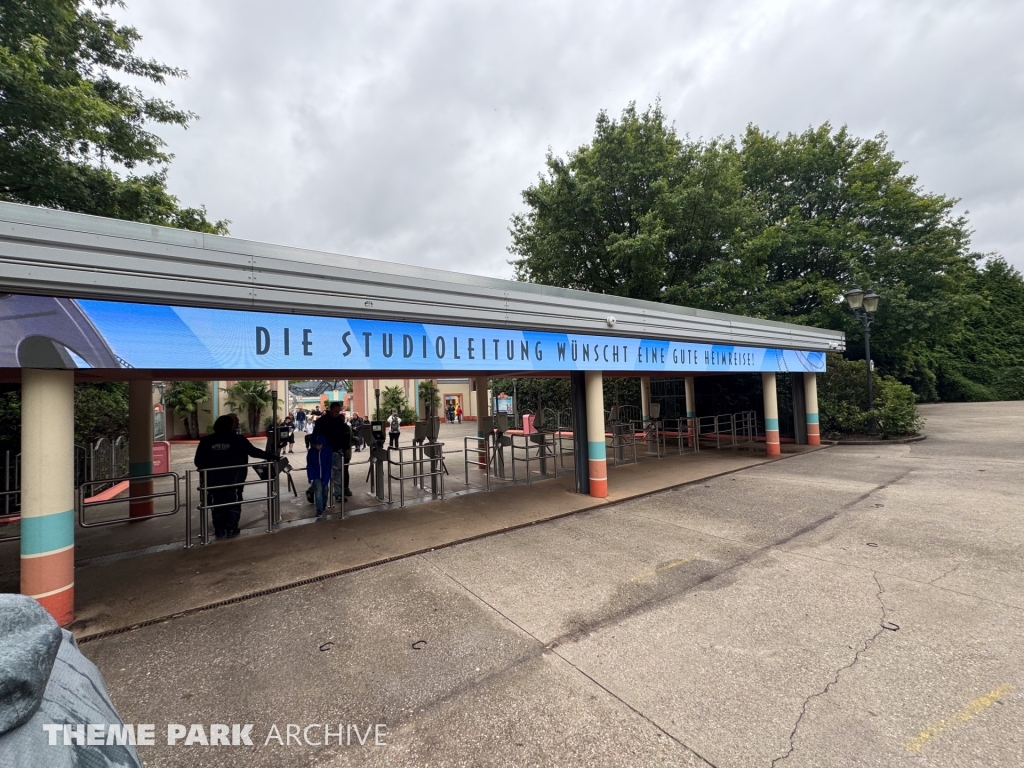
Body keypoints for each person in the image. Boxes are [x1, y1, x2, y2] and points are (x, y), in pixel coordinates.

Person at [194, 414, 275, 538]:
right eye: (235, 422)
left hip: (213, 480)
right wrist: (272, 456)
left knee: (217, 504)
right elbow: (253, 452)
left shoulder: (206, 441)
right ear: (231, 426)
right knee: (234, 502)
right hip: (235, 479)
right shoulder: (238, 440)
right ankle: (232, 529)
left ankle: (219, 529)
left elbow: (198, 462)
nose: (237, 424)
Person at [312, 401, 353, 499]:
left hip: (338, 451)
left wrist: (346, 448)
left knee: (338, 472)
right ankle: (314, 491)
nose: (337, 413)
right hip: (325, 452)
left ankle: (338, 494)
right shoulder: (321, 422)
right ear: (330, 410)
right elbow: (315, 436)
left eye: (338, 411)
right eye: (335, 411)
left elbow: (344, 436)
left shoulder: (339, 421)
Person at [305, 433, 332, 518]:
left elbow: (329, 464)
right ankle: (319, 509)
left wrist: (326, 477)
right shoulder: (311, 452)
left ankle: (323, 505)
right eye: (315, 445)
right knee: (318, 491)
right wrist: (310, 476)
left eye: (319, 445)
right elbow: (309, 465)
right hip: (316, 474)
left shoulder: (328, 450)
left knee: (325, 490)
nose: (317, 447)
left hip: (325, 474)